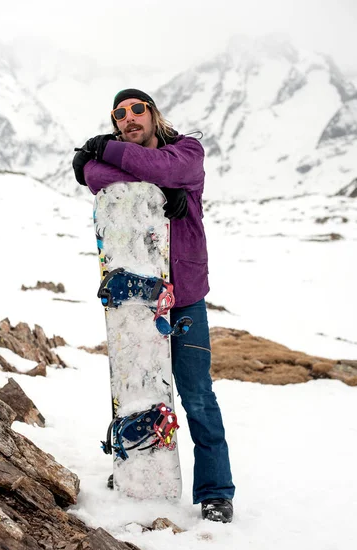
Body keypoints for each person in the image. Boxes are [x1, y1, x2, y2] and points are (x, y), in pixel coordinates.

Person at [72, 89, 235, 523]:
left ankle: (216, 492)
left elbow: (166, 166)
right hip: (139, 301)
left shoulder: (188, 149)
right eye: (119, 114)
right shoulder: (128, 161)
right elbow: (93, 176)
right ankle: (137, 470)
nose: (129, 117)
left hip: (184, 298)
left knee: (197, 396)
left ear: (153, 113)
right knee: (136, 390)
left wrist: (108, 152)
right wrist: (161, 189)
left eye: (137, 109)